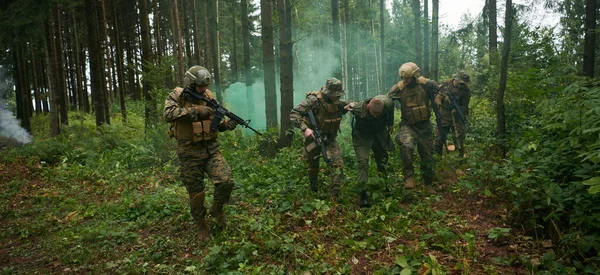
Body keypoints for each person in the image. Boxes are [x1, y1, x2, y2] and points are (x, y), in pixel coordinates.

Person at [163, 65, 238, 242]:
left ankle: (217, 209)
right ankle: (201, 225)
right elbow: (167, 114)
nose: (203, 90)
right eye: (199, 86)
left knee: (226, 181)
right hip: (189, 152)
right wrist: (195, 111)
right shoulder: (177, 95)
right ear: (190, 83)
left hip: (211, 150)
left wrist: (227, 125)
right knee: (196, 193)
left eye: (204, 86)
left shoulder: (208, 96)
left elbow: (217, 123)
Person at [289, 77, 352, 198]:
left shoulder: (337, 101)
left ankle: (335, 194)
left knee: (337, 163)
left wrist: (350, 105)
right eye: (335, 94)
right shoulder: (313, 101)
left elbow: (342, 107)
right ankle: (313, 189)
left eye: (338, 95)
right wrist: (305, 128)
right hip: (313, 137)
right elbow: (294, 113)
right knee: (313, 164)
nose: (337, 97)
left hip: (330, 138)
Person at [387, 62, 439, 190]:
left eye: (407, 78)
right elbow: (387, 102)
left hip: (424, 126)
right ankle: (409, 177)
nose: (405, 80)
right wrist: (389, 122)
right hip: (408, 125)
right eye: (403, 78)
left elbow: (440, 91)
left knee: (427, 154)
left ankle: (428, 183)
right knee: (406, 145)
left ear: (414, 76)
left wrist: (439, 101)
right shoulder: (399, 88)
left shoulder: (427, 85)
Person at [345, 95, 395, 207]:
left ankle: (385, 185)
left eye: (379, 114)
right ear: (368, 107)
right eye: (374, 114)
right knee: (363, 162)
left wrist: (390, 123)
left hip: (379, 133)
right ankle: (363, 193)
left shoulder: (388, 104)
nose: (377, 116)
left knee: (383, 159)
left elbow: (390, 111)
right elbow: (342, 104)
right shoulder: (358, 108)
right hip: (362, 136)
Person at [434, 71, 471, 157]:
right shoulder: (444, 86)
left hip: (457, 119)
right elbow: (436, 98)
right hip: (443, 117)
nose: (462, 85)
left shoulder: (465, 91)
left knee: (459, 139)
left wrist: (458, 109)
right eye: (461, 83)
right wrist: (442, 101)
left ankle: (459, 159)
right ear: (456, 80)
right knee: (438, 140)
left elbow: (465, 106)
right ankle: (437, 159)